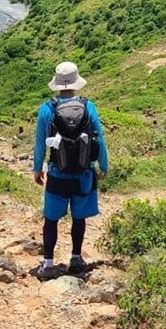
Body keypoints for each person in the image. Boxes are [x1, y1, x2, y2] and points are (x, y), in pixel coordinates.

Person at [33, 61, 109, 280]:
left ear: (57, 84)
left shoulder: (47, 109)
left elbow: (40, 143)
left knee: (51, 219)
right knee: (79, 217)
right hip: (84, 173)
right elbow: (99, 139)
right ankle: (76, 259)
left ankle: (48, 264)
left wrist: (37, 168)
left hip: (58, 173)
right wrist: (103, 165)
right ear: (76, 82)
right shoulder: (89, 106)